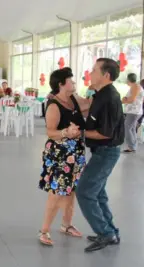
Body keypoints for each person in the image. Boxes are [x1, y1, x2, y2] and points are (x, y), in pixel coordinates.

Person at [76, 58, 124, 252]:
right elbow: (87, 109)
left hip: (106, 152)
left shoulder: (109, 98)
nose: (90, 72)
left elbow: (105, 133)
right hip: (100, 151)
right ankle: (110, 231)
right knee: (99, 194)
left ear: (105, 75)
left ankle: (106, 233)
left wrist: (78, 133)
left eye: (94, 70)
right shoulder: (100, 94)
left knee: (85, 192)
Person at [38, 68, 88, 246]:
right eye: (70, 80)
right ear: (61, 84)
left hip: (76, 153)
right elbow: (50, 132)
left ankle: (66, 225)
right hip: (60, 154)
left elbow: (88, 104)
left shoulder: (74, 99)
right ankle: (44, 230)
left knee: (71, 189)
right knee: (57, 192)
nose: (74, 83)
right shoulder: (54, 105)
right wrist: (66, 132)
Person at [122, 73, 144, 153]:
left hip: (134, 112)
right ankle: (133, 146)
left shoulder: (135, 86)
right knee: (131, 128)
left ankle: (131, 146)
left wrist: (122, 101)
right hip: (135, 111)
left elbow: (132, 99)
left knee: (127, 128)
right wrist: (125, 99)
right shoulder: (135, 87)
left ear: (128, 79)